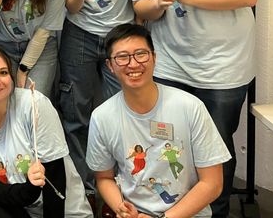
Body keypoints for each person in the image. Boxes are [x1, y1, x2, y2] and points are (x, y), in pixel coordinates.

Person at [131, 0, 259, 217]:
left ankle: (214, 212)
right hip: (172, 67)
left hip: (222, 67)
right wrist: (159, 2)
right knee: (173, 144)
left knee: (213, 149)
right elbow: (139, 7)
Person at [86, 24, 231, 218]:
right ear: (110, 66)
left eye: (141, 54)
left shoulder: (189, 107)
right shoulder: (102, 117)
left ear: (154, 57)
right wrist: (123, 208)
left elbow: (212, 183)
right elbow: (104, 178)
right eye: (122, 57)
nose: (133, 64)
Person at [52, 0, 135, 211]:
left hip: (121, 36)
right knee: (77, 114)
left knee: (125, 115)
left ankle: (123, 195)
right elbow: (70, 8)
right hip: (81, 36)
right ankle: (84, 193)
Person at [0, 46, 92, 218]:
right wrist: (29, 189)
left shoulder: (33, 104)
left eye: (3, 73)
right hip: (22, 209)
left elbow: (54, 176)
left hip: (62, 212)